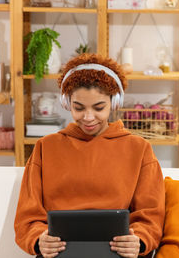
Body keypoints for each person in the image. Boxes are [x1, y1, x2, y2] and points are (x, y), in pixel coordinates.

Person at [14, 53, 165, 258]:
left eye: (99, 107)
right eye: (78, 108)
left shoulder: (139, 149)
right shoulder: (45, 148)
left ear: (115, 102)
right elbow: (28, 216)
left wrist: (139, 239)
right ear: (67, 103)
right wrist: (39, 239)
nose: (88, 117)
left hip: (119, 254)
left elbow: (151, 216)